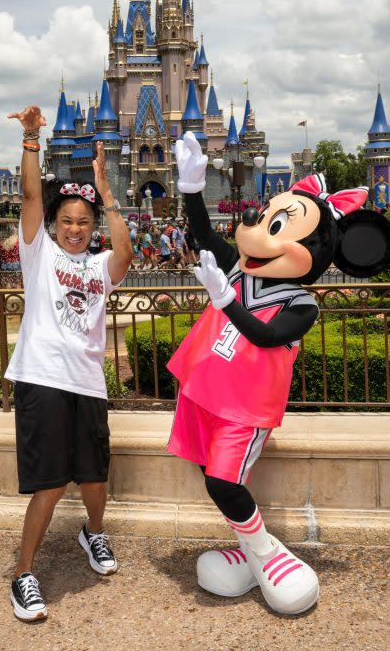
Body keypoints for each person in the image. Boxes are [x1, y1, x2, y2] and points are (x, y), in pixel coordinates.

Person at [167, 131, 389, 616]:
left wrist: (224, 302)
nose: (257, 227)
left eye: (277, 226)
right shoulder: (242, 269)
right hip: (204, 392)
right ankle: (250, 556)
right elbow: (205, 235)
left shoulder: (300, 302)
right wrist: (191, 188)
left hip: (244, 409)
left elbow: (266, 338)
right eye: (266, 219)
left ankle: (265, 553)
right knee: (207, 470)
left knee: (223, 483)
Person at [5, 105, 132, 622]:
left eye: (83, 223)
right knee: (51, 484)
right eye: (67, 222)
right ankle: (23, 574)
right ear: (53, 226)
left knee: (94, 478)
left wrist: (106, 194)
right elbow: (33, 194)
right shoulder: (40, 253)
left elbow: (126, 254)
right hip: (41, 377)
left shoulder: (100, 264)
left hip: (87, 383)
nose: (75, 229)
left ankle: (92, 533)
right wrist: (32, 138)